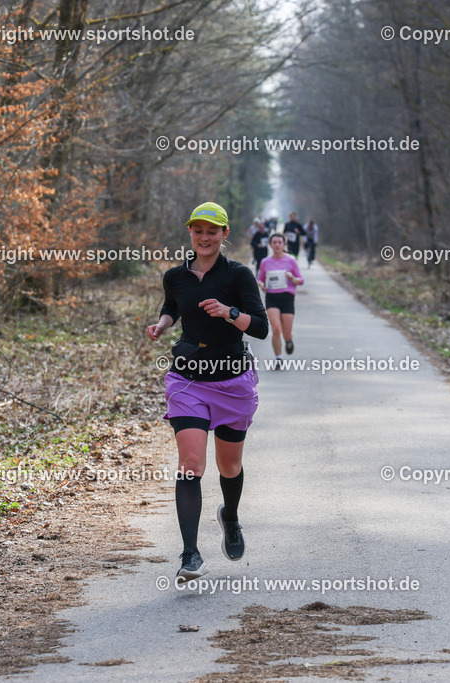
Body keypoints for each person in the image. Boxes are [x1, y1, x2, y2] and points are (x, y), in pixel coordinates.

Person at [146, 201, 269, 583]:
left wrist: (230, 313)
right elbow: (172, 306)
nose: (204, 237)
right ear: (191, 233)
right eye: (198, 230)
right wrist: (163, 324)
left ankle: (230, 517)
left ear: (224, 234)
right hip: (188, 379)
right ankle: (190, 554)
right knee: (191, 464)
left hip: (232, 380)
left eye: (212, 231)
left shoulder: (239, 275)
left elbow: (261, 328)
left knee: (228, 466)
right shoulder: (175, 276)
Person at [257, 233, 304, 366]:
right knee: (276, 329)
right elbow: (260, 279)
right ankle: (278, 358)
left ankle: (288, 340)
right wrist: (262, 285)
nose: (277, 245)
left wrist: (292, 279)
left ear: (284, 245)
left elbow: (301, 280)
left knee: (286, 333)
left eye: (280, 242)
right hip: (272, 297)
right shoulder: (265, 262)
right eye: (274, 242)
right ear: (270, 245)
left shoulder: (291, 261)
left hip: (287, 298)